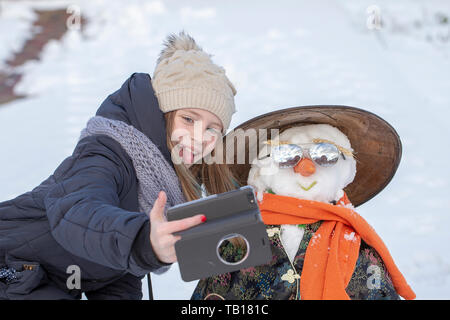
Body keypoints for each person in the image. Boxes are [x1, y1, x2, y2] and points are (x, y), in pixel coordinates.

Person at [0, 30, 238, 300]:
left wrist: (139, 251)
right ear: (164, 113)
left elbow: (108, 272)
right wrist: (143, 242)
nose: (199, 137)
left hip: (36, 280)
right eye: (188, 119)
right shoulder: (106, 152)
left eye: (212, 129)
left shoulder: (161, 185)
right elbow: (76, 213)